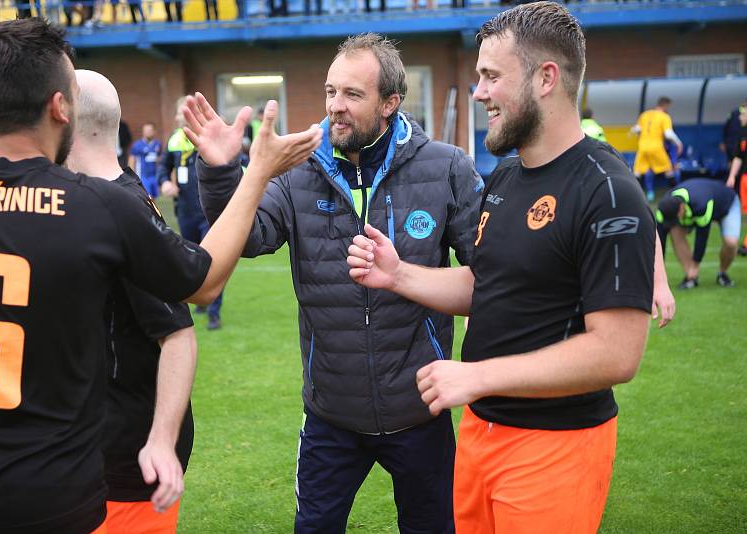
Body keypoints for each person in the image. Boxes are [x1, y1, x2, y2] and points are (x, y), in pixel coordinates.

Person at [0, 17, 321, 533]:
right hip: (56, 496)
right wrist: (256, 171)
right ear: (61, 108)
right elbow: (204, 282)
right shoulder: (95, 207)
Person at [347, 4, 655, 532]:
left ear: (546, 79)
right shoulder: (505, 178)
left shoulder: (607, 190)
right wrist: (398, 275)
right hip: (481, 433)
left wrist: (478, 377)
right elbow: (488, 284)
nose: (479, 92)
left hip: (555, 445)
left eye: (491, 77)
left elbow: (618, 352)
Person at [187, 32, 483, 534]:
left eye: (352, 94)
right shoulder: (299, 167)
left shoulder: (446, 167)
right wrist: (221, 173)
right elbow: (251, 236)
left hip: (420, 410)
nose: (335, 107)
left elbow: (489, 274)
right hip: (331, 414)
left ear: (391, 102)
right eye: (330, 92)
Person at [66, 69, 197, 534]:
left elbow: (176, 333)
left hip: (126, 459)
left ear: (62, 119)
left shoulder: (122, 209)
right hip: (86, 449)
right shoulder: (93, 199)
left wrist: (160, 440)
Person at [160, 97, 225, 331]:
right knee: (189, 258)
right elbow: (163, 168)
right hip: (185, 210)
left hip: (208, 212)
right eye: (178, 113)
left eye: (183, 113)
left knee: (212, 261)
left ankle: (214, 313)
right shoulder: (174, 141)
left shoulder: (208, 139)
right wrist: (165, 182)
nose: (179, 117)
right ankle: (199, 300)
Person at [656, 178, 740, 289]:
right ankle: (691, 278)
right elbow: (660, 240)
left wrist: (696, 264)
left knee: (731, 243)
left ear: (681, 208)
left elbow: (702, 236)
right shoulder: (663, 209)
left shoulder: (701, 204)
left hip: (726, 205)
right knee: (675, 230)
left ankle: (722, 274)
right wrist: (659, 273)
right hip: (694, 208)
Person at [632, 95, 683, 202]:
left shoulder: (645, 114)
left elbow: (636, 129)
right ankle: (677, 194)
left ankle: (632, 196)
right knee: (668, 170)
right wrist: (678, 143)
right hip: (656, 147)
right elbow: (668, 134)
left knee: (637, 172)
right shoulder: (664, 116)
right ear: (665, 105)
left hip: (642, 147)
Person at [725, 104, 747, 256]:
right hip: (745, 178)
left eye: (743, 114)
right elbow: (738, 157)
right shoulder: (742, 134)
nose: (740, 117)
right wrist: (732, 176)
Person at [129, 122, 162, 198]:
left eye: (149, 130)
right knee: (147, 197)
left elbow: (159, 158)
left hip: (154, 176)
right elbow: (131, 160)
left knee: (154, 198)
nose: (147, 132)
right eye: (146, 130)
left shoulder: (158, 144)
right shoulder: (137, 145)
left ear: (154, 131)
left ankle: (152, 210)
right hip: (143, 176)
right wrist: (132, 176)